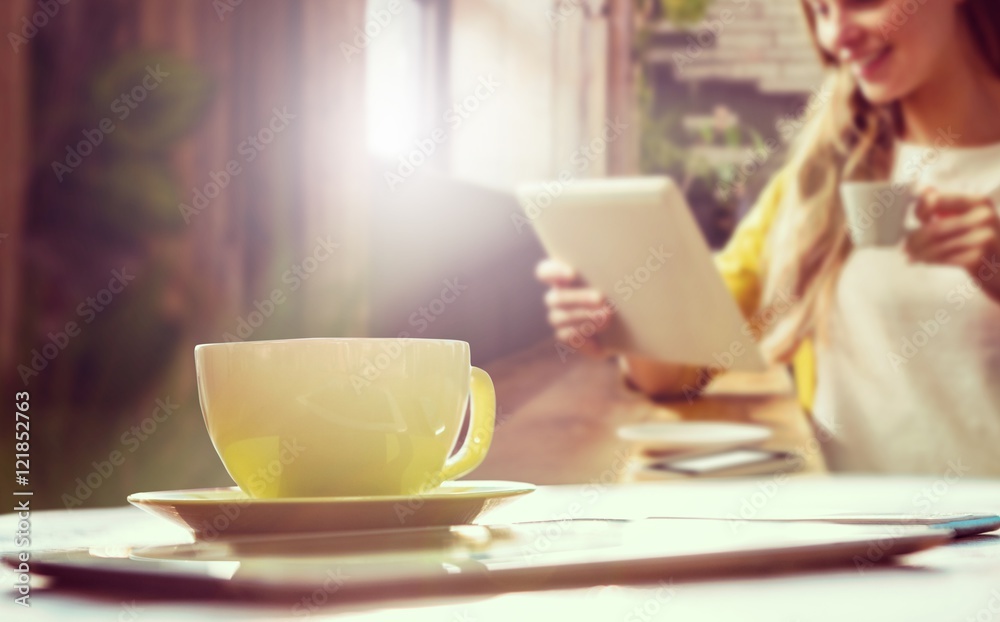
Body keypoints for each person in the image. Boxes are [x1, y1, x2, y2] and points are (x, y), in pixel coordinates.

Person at [537, 0, 1000, 475]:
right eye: (819, 11)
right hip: (859, 528)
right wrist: (623, 320)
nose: (835, 36)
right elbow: (682, 366)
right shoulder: (816, 180)